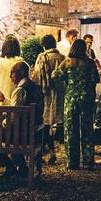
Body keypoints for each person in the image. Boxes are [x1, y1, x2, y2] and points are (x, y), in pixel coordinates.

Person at [52, 38, 99, 170]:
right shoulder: (90, 63)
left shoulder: (67, 62)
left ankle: (72, 162)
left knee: (70, 130)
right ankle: (88, 161)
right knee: (87, 129)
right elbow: (96, 78)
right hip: (87, 99)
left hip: (71, 98)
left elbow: (54, 75)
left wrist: (66, 81)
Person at [7, 60, 45, 175]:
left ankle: (13, 168)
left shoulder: (20, 90)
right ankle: (22, 168)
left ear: (21, 73)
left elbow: (14, 116)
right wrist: (5, 99)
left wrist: (2, 123)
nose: (10, 76)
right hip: (35, 130)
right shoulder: (36, 88)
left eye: (12, 72)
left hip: (20, 135)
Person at [32, 35, 65, 165]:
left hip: (45, 94)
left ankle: (45, 152)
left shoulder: (42, 57)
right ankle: (54, 152)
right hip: (60, 94)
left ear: (43, 45)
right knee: (56, 123)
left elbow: (36, 77)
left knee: (44, 124)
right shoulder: (62, 57)